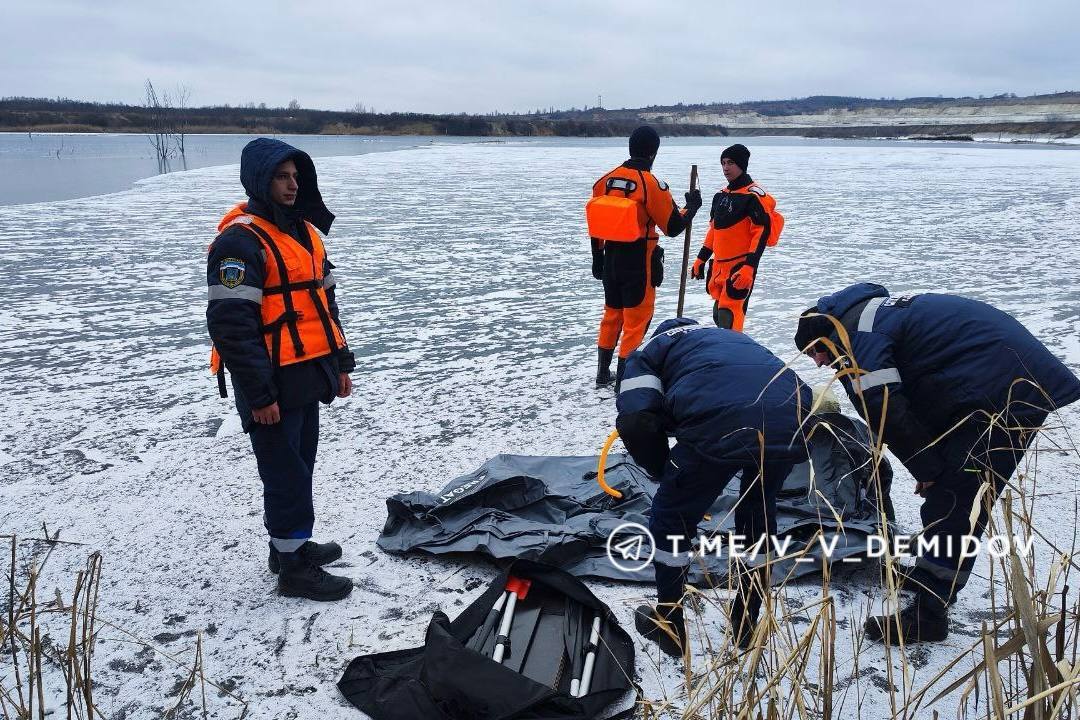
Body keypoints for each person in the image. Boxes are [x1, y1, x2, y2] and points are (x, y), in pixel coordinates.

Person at [794, 283, 1080, 642]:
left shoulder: (860, 336)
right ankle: (932, 572)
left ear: (829, 334)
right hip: (985, 383)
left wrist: (926, 467)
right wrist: (930, 459)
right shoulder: (873, 317)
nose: (819, 363)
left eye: (816, 352)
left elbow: (884, 407)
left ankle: (929, 614)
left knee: (958, 496)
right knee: (949, 483)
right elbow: (919, 383)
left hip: (1009, 392)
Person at [207, 138, 356, 602]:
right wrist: (259, 393)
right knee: (283, 471)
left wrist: (341, 363)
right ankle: (292, 569)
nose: (292, 185)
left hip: (308, 370)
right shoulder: (239, 242)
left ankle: (289, 545)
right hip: (269, 378)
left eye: (296, 176)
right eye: (281, 176)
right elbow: (232, 326)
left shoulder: (305, 234)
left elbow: (325, 304)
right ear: (259, 180)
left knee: (301, 462)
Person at [617, 318, 812, 655]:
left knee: (670, 518)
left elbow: (635, 419)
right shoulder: (728, 337)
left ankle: (669, 624)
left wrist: (662, 469)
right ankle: (748, 620)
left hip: (720, 419)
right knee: (758, 511)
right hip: (792, 414)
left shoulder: (648, 351)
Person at [587, 126, 702, 391]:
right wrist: (692, 207)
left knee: (612, 315)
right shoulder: (651, 185)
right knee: (636, 320)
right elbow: (672, 227)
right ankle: (624, 383)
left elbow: (596, 221)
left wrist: (597, 258)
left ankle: (602, 374)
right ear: (654, 152)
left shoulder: (604, 180)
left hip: (610, 258)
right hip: (639, 260)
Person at [690, 144, 784, 331]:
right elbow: (714, 231)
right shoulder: (721, 196)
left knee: (729, 315)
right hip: (718, 266)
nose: (726, 168)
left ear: (742, 164)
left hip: (740, 266)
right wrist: (701, 259)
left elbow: (761, 233)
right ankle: (730, 352)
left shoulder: (753, 196)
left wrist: (749, 267)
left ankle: (733, 355)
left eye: (731, 163)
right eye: (723, 163)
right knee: (718, 313)